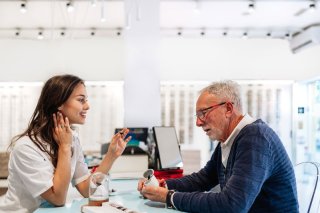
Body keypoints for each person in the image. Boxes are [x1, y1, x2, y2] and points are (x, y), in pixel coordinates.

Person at [138, 80, 298, 213]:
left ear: (228, 109)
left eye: (203, 113)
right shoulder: (230, 139)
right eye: (197, 115)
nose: (198, 122)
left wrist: (169, 197)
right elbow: (204, 178)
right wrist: (162, 185)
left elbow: (233, 204)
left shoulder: (255, 137)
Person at [0, 74, 131, 213]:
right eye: (81, 100)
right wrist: (65, 147)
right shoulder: (26, 148)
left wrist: (111, 155)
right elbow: (57, 198)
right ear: (59, 103)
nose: (87, 106)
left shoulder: (72, 138)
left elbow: (87, 189)